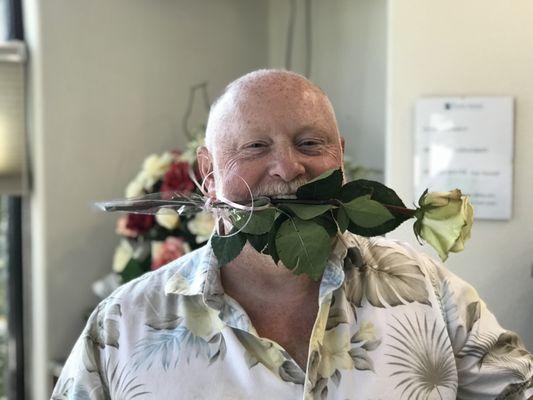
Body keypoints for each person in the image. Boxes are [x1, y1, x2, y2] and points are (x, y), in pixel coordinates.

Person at [52, 70, 533, 399]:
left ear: (340, 157)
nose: (288, 167)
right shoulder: (123, 326)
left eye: (310, 143)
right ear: (207, 173)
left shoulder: (427, 287)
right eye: (255, 146)